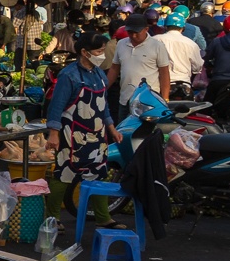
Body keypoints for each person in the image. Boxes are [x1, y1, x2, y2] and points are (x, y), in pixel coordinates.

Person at [45, 32, 119, 219]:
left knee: (98, 174)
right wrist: (53, 133)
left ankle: (103, 219)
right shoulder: (68, 75)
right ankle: (52, 218)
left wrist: (111, 128)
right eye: (99, 51)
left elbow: (104, 106)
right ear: (85, 53)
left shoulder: (100, 74)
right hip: (72, 134)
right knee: (63, 174)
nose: (102, 55)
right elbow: (56, 107)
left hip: (98, 135)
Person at [108, 18, 173, 114]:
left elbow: (164, 74)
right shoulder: (121, 44)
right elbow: (114, 69)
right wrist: (103, 88)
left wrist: (165, 99)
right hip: (125, 99)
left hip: (148, 102)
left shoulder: (157, 46)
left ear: (146, 29)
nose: (133, 36)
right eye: (130, 32)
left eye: (136, 32)